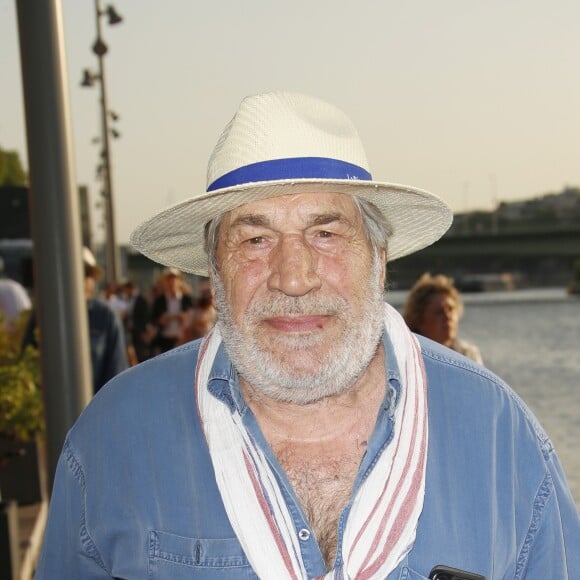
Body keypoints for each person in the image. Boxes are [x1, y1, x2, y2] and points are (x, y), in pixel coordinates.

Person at [36, 92, 579, 579]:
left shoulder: (499, 435)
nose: (292, 277)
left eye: (324, 233)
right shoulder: (114, 438)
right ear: (214, 268)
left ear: (379, 258)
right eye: (254, 239)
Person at [24, 247, 129, 394]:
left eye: (87, 274)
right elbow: (26, 363)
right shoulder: (43, 314)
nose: (81, 280)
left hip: (94, 410)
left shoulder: (105, 316)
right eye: (74, 272)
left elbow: (117, 371)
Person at [403, 272, 483, 363]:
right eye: (439, 312)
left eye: (451, 309)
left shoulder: (468, 354)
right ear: (419, 320)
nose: (447, 316)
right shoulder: (410, 357)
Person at [150, 267, 194, 353]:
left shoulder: (187, 300)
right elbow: (153, 319)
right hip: (165, 341)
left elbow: (193, 318)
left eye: (174, 279)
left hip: (183, 340)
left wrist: (186, 319)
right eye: (169, 279)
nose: (172, 282)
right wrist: (160, 320)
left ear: (179, 281)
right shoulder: (159, 301)